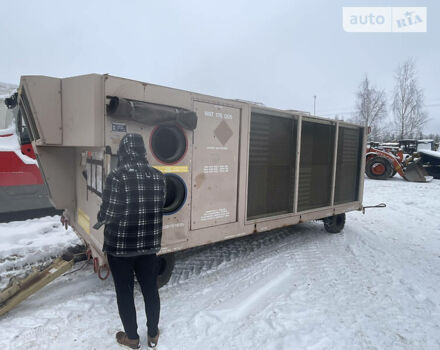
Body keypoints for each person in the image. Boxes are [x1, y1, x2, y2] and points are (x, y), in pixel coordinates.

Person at [97, 133, 166, 349]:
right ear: (143, 152)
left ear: (124, 152)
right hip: (149, 245)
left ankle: (132, 339)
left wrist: (100, 219)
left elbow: (108, 213)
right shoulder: (158, 176)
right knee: (150, 290)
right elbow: (159, 207)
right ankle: (153, 336)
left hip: (121, 249)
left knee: (125, 292)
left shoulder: (117, 176)